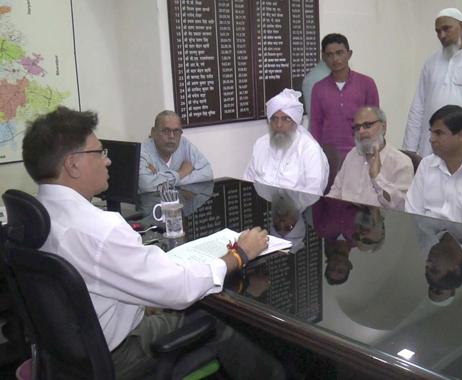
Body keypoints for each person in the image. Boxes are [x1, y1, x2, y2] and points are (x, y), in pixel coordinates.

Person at [21, 106, 283, 379]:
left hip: (69, 359)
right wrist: (240, 254)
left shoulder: (36, 216)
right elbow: (180, 290)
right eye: (99, 152)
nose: (107, 161)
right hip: (118, 356)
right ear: (73, 164)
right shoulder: (99, 230)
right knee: (228, 322)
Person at [402, 8, 462, 157]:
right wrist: (409, 148)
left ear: (461, 26)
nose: (441, 35)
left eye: (446, 29)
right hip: (431, 146)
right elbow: (418, 106)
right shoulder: (431, 62)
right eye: (437, 31)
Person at [244, 88, 329, 195]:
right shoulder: (261, 144)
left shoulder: (309, 149)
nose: (279, 125)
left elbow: (313, 193)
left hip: (296, 209)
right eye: (274, 119)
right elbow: (248, 181)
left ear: (296, 122)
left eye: (286, 119)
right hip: (262, 207)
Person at [327, 106, 414, 210]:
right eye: (357, 128)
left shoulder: (401, 163)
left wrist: (377, 178)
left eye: (367, 125)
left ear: (383, 127)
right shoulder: (352, 155)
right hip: (345, 221)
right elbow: (335, 193)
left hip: (380, 224)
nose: (361, 131)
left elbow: (401, 207)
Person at [310, 33, 380, 159]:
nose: (335, 59)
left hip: (360, 154)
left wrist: (373, 154)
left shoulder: (367, 84)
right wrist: (315, 157)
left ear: (349, 54)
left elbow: (375, 123)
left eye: (339, 53)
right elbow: (315, 126)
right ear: (323, 57)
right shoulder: (318, 89)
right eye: (329, 55)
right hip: (328, 157)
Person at [138, 110, 213, 193]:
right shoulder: (142, 152)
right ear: (153, 132)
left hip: (180, 203)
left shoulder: (184, 144)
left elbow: (208, 173)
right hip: (152, 205)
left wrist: (159, 180)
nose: (172, 136)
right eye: (166, 131)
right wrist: (181, 173)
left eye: (176, 131)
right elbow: (146, 185)